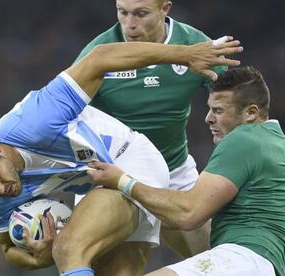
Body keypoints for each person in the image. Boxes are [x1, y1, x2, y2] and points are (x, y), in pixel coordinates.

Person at [0, 39, 242, 276]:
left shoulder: (37, 118)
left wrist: (183, 55)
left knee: (70, 248)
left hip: (129, 159)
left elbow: (99, 59)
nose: (0, 190)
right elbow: (7, 250)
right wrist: (35, 257)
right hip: (94, 186)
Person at [88, 66, 285, 276]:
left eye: (218, 110)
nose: (208, 118)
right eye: (210, 109)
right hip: (262, 265)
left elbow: (189, 213)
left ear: (251, 113)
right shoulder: (276, 141)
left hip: (243, 259)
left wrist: (122, 181)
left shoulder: (244, 138)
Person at [74, 0, 228, 257]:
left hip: (175, 173)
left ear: (165, 9)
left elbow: (236, 98)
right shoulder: (98, 53)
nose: (130, 24)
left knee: (217, 262)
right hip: (113, 175)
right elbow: (63, 111)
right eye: (122, 13)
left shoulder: (193, 43)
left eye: (141, 14)